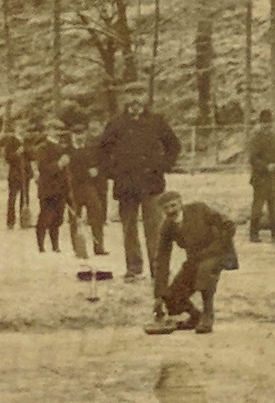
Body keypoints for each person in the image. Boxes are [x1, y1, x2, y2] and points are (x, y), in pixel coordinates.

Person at [96, 100, 186, 304]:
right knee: (129, 228)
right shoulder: (116, 124)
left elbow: (174, 145)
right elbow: (101, 151)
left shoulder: (156, 121)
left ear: (143, 101)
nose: (135, 103)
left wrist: (163, 165)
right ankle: (133, 268)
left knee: (155, 228)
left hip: (150, 183)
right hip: (126, 184)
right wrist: (112, 171)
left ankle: (158, 269)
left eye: (138, 98)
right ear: (127, 100)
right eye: (131, 97)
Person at [154, 201, 240, 334]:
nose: (170, 210)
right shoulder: (167, 227)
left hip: (218, 253)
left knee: (204, 272)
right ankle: (195, 316)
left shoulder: (199, 209)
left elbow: (229, 225)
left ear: (180, 204)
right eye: (166, 207)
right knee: (171, 296)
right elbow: (162, 259)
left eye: (173, 205)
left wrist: (219, 245)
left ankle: (207, 316)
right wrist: (159, 295)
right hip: (195, 258)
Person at [66, 130, 109, 260]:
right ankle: (78, 248)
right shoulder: (66, 151)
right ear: (72, 135)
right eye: (77, 134)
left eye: (82, 134)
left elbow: (101, 164)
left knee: (97, 214)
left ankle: (99, 246)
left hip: (89, 186)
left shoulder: (91, 149)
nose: (80, 137)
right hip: (73, 188)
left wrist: (97, 170)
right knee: (74, 218)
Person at [31, 133, 69, 255]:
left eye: (59, 130)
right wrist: (59, 165)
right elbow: (43, 168)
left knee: (58, 217)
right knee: (45, 217)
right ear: (49, 131)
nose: (58, 133)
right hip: (47, 189)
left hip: (61, 188)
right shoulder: (43, 148)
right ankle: (41, 245)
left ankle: (55, 245)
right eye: (55, 130)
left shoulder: (62, 148)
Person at [246, 119, 275, 240]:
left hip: (273, 178)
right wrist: (266, 166)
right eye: (265, 125)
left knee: (274, 206)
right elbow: (253, 158)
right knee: (258, 207)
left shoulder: (273, 137)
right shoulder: (255, 138)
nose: (267, 128)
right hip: (260, 178)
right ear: (260, 124)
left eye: (269, 125)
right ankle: (253, 233)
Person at [3, 128, 32, 232]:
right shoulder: (10, 142)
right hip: (15, 175)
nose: (23, 132)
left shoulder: (26, 142)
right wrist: (17, 153)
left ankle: (24, 221)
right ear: (16, 130)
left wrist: (26, 151)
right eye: (20, 129)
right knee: (12, 199)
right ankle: (10, 222)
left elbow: (33, 155)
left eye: (24, 129)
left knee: (25, 198)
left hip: (25, 175)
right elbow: (7, 158)